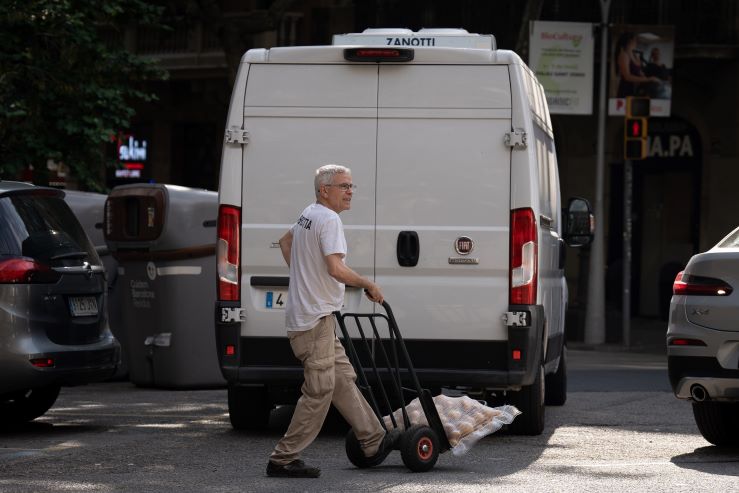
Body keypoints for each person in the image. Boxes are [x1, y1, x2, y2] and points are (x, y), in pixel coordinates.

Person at [266, 164, 398, 478]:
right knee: (319, 390)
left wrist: (303, 277)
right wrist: (367, 283)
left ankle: (373, 439)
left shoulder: (308, 214)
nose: (350, 191)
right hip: (314, 320)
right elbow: (336, 269)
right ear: (324, 190)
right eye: (343, 186)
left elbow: (286, 243)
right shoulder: (329, 219)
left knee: (342, 380)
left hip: (313, 318)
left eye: (352, 186)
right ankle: (283, 459)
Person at [615, 32, 662, 98]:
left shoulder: (635, 55)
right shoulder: (624, 55)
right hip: (626, 90)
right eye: (635, 40)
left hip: (636, 90)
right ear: (630, 41)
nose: (636, 42)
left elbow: (639, 71)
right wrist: (648, 79)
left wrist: (649, 78)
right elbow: (627, 77)